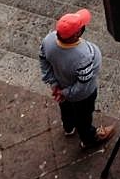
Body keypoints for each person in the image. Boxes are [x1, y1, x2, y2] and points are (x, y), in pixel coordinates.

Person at [39, 8, 114, 150]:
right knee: (84, 117)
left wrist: (54, 84)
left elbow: (43, 59)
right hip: (82, 96)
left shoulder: (48, 40)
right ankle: (88, 139)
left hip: (61, 85)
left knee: (65, 107)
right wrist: (66, 93)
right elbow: (84, 85)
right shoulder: (84, 55)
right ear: (76, 35)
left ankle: (68, 127)